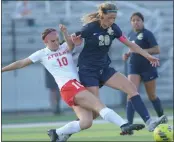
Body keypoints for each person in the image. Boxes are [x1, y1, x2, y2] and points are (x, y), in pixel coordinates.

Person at [2, 25, 145, 142]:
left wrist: (65, 32)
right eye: (52, 41)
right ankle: (124, 125)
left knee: (86, 122)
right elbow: (21, 63)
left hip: (74, 88)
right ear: (45, 42)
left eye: (57, 39)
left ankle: (56, 132)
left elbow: (70, 45)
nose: (56, 43)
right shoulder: (41, 54)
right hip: (69, 86)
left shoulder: (63, 47)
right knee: (98, 105)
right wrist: (2, 69)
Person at [70, 2, 167, 132]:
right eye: (109, 18)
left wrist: (147, 56)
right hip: (88, 71)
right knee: (94, 112)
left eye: (114, 18)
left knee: (131, 88)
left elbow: (130, 44)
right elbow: (70, 42)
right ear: (102, 15)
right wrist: (73, 42)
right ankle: (65, 132)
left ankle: (149, 122)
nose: (112, 21)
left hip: (104, 69)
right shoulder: (90, 28)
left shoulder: (114, 29)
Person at [122, 12, 168, 130]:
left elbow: (157, 49)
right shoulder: (131, 34)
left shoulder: (148, 34)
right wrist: (127, 54)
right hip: (134, 67)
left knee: (151, 95)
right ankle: (129, 125)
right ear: (131, 22)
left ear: (142, 22)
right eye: (133, 20)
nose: (136, 22)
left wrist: (141, 50)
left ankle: (161, 118)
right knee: (131, 94)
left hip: (148, 68)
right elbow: (131, 49)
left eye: (138, 20)